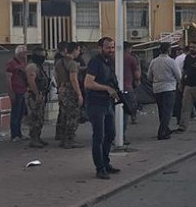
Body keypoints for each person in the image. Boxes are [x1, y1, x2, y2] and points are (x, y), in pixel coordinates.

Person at [84, 37, 121, 180]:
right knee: (98, 136)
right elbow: (88, 83)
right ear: (100, 48)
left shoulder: (109, 62)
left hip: (107, 103)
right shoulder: (95, 62)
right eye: (108, 48)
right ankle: (100, 168)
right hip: (96, 104)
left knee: (111, 134)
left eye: (112, 47)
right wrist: (106, 88)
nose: (111, 50)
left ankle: (106, 163)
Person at [148, 42, 181, 140]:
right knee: (168, 111)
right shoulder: (171, 61)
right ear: (168, 50)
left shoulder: (154, 61)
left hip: (157, 88)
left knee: (161, 110)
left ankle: (165, 129)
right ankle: (162, 132)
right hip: (169, 87)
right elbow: (178, 75)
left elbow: (149, 76)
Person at [55, 42, 84, 149]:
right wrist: (79, 94)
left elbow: (57, 77)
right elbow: (73, 79)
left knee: (63, 115)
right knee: (72, 115)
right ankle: (70, 139)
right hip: (70, 91)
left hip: (62, 89)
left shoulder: (59, 62)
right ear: (75, 50)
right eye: (79, 50)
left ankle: (63, 139)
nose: (79, 52)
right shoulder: (72, 63)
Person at [24, 47, 51, 148]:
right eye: (42, 55)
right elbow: (31, 81)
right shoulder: (32, 66)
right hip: (34, 96)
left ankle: (37, 138)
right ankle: (34, 139)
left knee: (40, 118)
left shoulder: (38, 66)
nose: (43, 57)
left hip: (40, 94)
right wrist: (37, 94)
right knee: (35, 117)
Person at [5, 45, 29, 141]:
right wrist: (11, 93)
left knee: (20, 113)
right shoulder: (11, 63)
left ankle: (18, 133)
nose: (25, 55)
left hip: (22, 91)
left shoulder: (23, 63)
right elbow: (8, 79)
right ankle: (14, 134)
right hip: (16, 91)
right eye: (24, 53)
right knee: (15, 113)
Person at [54, 41, 68, 141]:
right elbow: (61, 76)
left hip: (61, 88)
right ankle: (62, 134)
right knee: (64, 112)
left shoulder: (58, 59)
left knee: (62, 112)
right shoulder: (61, 61)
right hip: (63, 88)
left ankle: (60, 133)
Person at [123, 47, 142, 125]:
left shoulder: (113, 57)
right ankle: (133, 117)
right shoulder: (131, 58)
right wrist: (138, 79)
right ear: (128, 49)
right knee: (132, 102)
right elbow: (137, 73)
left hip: (115, 85)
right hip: (129, 84)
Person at [173, 44, 189, 122]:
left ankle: (179, 117)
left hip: (178, 81)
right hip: (186, 81)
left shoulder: (177, 58)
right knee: (188, 99)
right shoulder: (187, 58)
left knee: (179, 99)